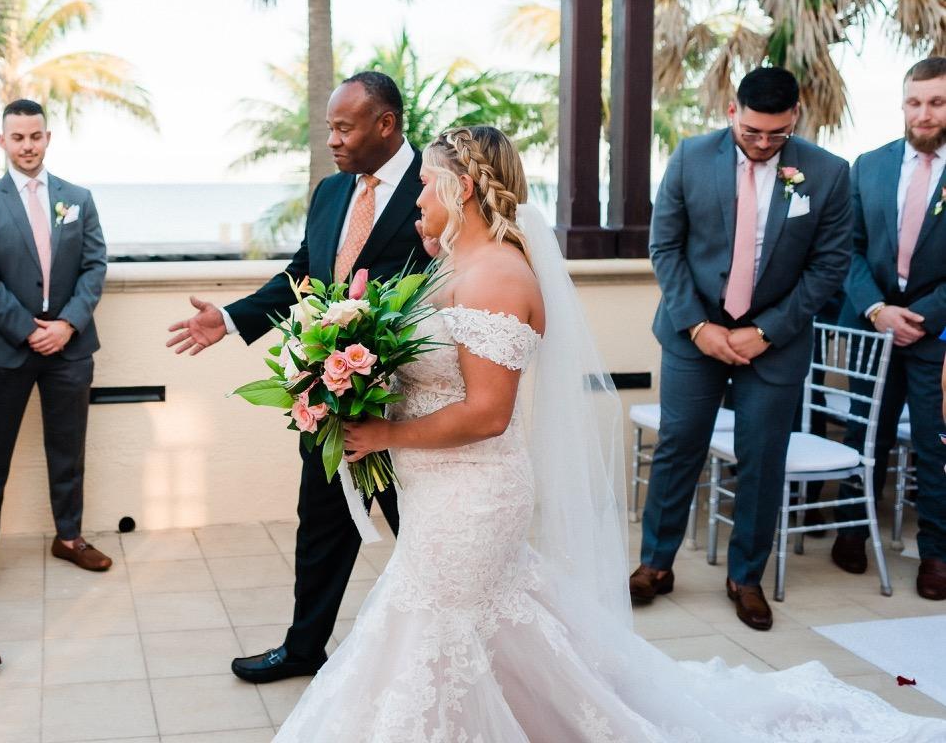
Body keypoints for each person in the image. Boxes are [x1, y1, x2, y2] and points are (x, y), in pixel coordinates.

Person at [272, 125, 944, 742]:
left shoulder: (497, 277)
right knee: (473, 635)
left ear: (463, 186)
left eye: (426, 183)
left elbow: (488, 413)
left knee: (434, 634)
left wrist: (384, 435)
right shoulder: (452, 266)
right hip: (437, 495)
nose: (418, 196)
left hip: (469, 499)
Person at [167, 71, 422, 684]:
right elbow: (304, 275)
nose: (332, 140)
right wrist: (231, 319)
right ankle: (305, 648)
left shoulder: (432, 185)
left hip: (411, 403)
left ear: (386, 124)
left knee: (422, 527)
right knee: (323, 524)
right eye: (330, 128)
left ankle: (445, 646)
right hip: (330, 394)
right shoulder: (331, 193)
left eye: (344, 128)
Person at [633, 67, 851, 630]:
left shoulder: (828, 172)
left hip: (775, 343)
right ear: (733, 111)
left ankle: (745, 577)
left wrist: (768, 331)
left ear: (796, 116)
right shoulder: (690, 157)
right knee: (679, 446)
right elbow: (665, 247)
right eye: (751, 131)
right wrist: (698, 327)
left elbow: (829, 267)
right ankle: (655, 564)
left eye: (776, 134)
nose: (762, 143)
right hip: (694, 334)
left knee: (763, 457)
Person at [0, 99, 109, 590]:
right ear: (2, 141)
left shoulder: (78, 198)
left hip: (70, 347)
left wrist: (66, 324)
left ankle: (69, 537)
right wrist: (28, 330)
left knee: (68, 448)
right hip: (6, 349)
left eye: (35, 136)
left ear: (47, 138)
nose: (27, 146)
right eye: (18, 137)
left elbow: (94, 266)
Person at [833, 56, 946, 600]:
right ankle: (851, 531)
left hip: (935, 334)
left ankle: (937, 553)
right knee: (864, 432)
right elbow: (848, 248)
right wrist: (878, 309)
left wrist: (923, 317)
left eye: (937, 102)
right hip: (873, 327)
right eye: (914, 102)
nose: (924, 114)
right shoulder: (869, 165)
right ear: (902, 104)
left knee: (935, 442)